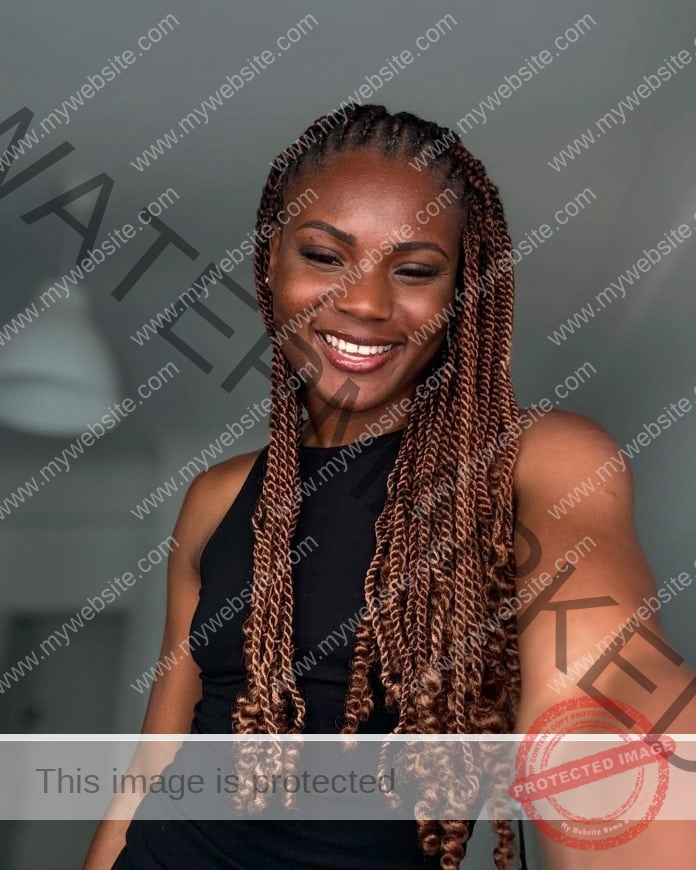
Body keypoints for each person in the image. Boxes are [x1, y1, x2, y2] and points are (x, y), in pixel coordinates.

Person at [84, 104, 696, 869]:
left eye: (413, 269)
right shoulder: (216, 499)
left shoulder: (538, 460)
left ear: (462, 289)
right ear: (270, 260)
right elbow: (150, 773)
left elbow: (604, 686)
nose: (368, 303)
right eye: (324, 254)